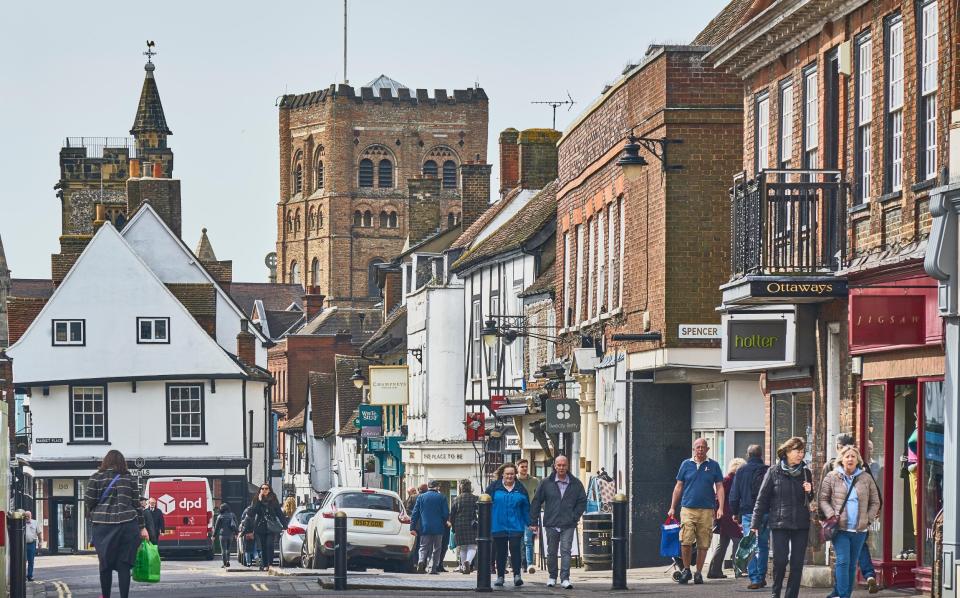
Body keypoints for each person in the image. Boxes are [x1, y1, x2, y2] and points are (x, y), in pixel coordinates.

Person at [750, 436, 814, 598]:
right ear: (786, 452)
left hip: (801, 523)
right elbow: (762, 499)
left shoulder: (806, 473)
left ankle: (791, 595)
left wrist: (810, 491)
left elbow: (811, 501)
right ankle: (776, 592)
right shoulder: (773, 472)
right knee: (780, 561)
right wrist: (755, 524)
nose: (800, 455)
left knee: (797, 563)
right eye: (797, 451)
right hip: (779, 523)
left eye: (802, 452)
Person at [84, 450, 149, 598]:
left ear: (105, 461)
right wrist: (142, 527)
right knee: (124, 565)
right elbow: (136, 505)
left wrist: (97, 511)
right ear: (122, 462)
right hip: (127, 525)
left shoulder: (96, 477)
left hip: (103, 526)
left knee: (105, 564)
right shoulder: (129, 478)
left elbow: (88, 501)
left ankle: (106, 596)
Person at [819, 446, 881, 598]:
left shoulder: (866, 478)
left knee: (853, 564)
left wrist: (868, 519)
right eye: (847, 456)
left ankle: (844, 594)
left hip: (859, 530)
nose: (850, 459)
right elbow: (823, 499)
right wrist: (831, 514)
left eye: (853, 456)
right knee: (843, 561)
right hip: (840, 529)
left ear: (858, 460)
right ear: (841, 459)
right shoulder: (832, 477)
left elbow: (875, 501)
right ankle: (843, 595)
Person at [667, 437, 725, 585]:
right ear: (694, 449)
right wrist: (673, 507)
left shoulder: (714, 466)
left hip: (707, 510)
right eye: (697, 447)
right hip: (687, 508)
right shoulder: (686, 464)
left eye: (703, 447)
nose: (700, 450)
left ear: (707, 449)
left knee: (703, 542)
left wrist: (721, 507)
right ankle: (686, 570)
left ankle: (698, 573)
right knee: (685, 540)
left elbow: (719, 487)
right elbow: (678, 486)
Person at [529, 455, 587, 589]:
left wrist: (575, 516)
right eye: (559, 465)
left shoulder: (576, 483)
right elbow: (537, 501)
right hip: (551, 522)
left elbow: (582, 501)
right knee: (551, 552)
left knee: (566, 551)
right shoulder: (546, 483)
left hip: (568, 523)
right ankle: (552, 576)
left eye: (564, 465)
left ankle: (565, 578)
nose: (561, 468)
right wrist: (533, 521)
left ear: (568, 466)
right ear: (555, 466)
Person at [729, 444, 770, 589]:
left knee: (750, 545)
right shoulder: (767, 470)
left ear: (748, 455)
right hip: (765, 513)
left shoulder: (741, 471)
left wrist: (734, 512)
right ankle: (762, 575)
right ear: (761, 456)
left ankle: (754, 578)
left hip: (747, 513)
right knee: (763, 545)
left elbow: (734, 495)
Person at [487, 463, 530, 587]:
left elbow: (526, 508)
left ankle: (517, 575)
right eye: (507, 474)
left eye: (512, 474)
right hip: (498, 525)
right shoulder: (493, 488)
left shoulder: (521, 489)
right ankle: (500, 576)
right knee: (501, 552)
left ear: (515, 475)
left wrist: (530, 523)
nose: (509, 476)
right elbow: (485, 505)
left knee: (515, 550)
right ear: (502, 475)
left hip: (516, 525)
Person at [708, 458, 745, 579]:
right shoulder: (731, 480)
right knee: (737, 541)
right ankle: (738, 569)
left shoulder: (727, 479)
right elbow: (719, 497)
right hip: (729, 516)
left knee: (723, 543)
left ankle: (714, 570)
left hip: (725, 515)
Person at [242, 483, 287, 571]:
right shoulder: (256, 499)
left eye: (266, 488)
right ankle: (264, 564)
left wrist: (285, 525)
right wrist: (259, 501)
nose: (264, 490)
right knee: (263, 546)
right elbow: (252, 512)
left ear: (269, 490)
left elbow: (279, 513)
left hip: (271, 526)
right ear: (260, 490)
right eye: (262, 488)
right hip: (260, 526)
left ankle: (270, 564)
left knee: (269, 545)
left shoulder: (273, 499)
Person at [411, 480, 450, 574]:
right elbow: (446, 513)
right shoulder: (442, 497)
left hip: (425, 527)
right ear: (437, 487)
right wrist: (444, 522)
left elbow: (415, 513)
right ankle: (432, 568)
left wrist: (412, 527)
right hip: (438, 527)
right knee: (437, 548)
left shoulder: (421, 497)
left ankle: (421, 561)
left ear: (429, 487)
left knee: (423, 547)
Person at [449, 479, 479, 574]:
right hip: (472, 525)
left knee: (462, 547)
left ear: (460, 488)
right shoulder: (475, 498)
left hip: (459, 525)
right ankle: (468, 562)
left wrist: (453, 527)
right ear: (470, 487)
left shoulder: (456, 499)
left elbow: (452, 515)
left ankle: (462, 566)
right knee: (473, 546)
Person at [516, 459, 540, 574]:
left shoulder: (534, 481)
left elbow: (539, 496)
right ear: (518, 468)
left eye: (526, 466)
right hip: (516, 514)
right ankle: (522, 563)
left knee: (527, 540)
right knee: (518, 541)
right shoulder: (514, 480)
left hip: (529, 513)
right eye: (522, 467)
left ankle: (529, 564)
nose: (525, 469)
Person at [214, 503, 239, 568]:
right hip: (230, 535)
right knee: (228, 549)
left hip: (222, 535)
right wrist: (236, 534)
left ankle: (224, 563)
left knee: (223, 550)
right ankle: (228, 560)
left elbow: (216, 527)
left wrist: (214, 535)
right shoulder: (232, 515)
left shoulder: (220, 516)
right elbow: (235, 525)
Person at [24, 511, 41, 582]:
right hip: (23, 544)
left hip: (31, 544)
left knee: (31, 561)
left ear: (31, 516)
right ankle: (23, 576)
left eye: (28, 516)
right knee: (23, 560)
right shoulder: (21, 523)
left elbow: (39, 533)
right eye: (26, 516)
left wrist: (40, 542)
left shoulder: (35, 522)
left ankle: (30, 576)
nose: (27, 517)